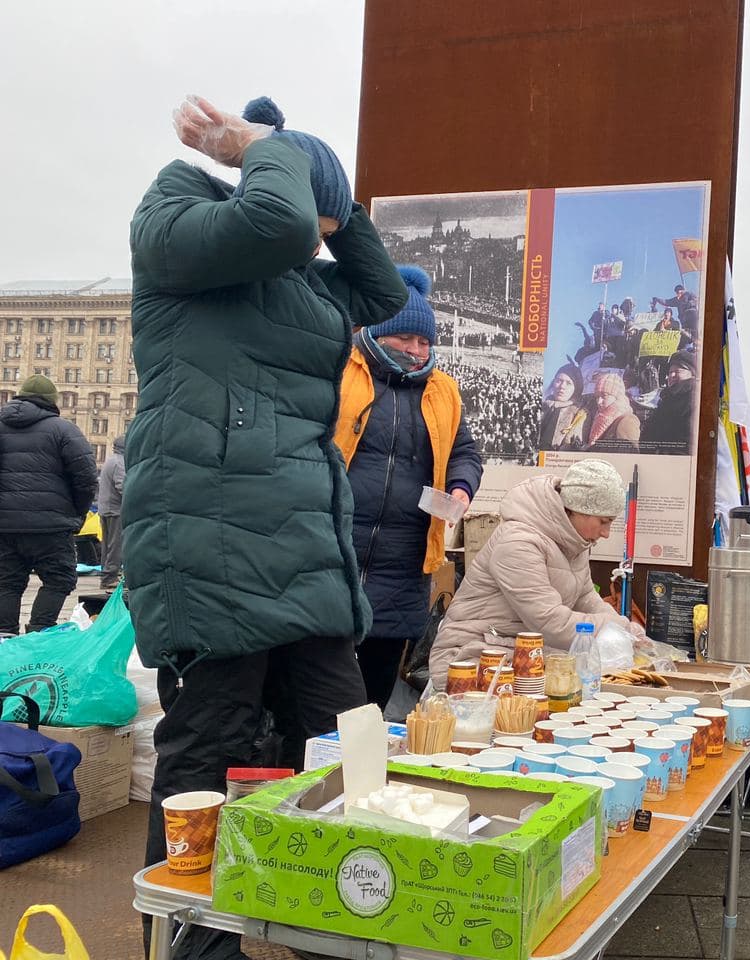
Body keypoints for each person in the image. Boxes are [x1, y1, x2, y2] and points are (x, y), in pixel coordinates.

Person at [128, 94, 407, 957]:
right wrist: (263, 146)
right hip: (209, 534)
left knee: (347, 748)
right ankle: (191, 943)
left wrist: (344, 206)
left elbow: (381, 289)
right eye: (320, 211)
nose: (322, 231)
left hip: (302, 545)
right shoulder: (174, 216)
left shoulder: (298, 272)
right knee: (207, 751)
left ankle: (345, 926)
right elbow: (281, 223)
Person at [337, 265, 482, 711]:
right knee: (325, 690)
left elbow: (465, 452)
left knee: (372, 698)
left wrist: (461, 488)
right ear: (380, 331)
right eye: (405, 339)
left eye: (424, 342)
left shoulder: (443, 391)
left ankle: (358, 777)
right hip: (337, 553)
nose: (416, 351)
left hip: (403, 565)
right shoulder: (342, 372)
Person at [428, 459, 642, 686]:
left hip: (517, 652)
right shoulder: (519, 542)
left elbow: (586, 598)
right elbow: (551, 622)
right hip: (472, 658)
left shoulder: (573, 541)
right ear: (579, 510)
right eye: (604, 521)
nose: (606, 533)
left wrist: (625, 631)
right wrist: (618, 628)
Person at [0, 374, 97, 636]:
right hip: (51, 527)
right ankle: (41, 631)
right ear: (51, 401)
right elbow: (86, 479)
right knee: (59, 578)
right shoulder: (63, 430)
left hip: (4, 528)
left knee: (7, 583)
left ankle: (4, 638)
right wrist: (76, 514)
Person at [640, 349, 698, 452]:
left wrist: (659, 455)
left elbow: (688, 444)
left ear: (692, 374)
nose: (671, 376)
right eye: (670, 372)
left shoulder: (693, 400)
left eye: (677, 371)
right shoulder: (669, 398)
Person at [97, 434, 126, 591]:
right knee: (116, 545)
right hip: (116, 510)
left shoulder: (110, 460)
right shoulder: (120, 462)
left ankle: (107, 575)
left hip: (106, 509)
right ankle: (110, 577)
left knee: (107, 546)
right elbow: (123, 486)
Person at [583, 373, 640, 451]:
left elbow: (628, 454)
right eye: (597, 397)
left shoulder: (627, 420)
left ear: (617, 396)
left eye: (604, 396)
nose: (599, 401)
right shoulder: (599, 417)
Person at [540, 361, 587, 451]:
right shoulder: (544, 406)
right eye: (559, 381)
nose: (562, 386)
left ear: (576, 389)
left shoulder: (579, 414)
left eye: (568, 383)